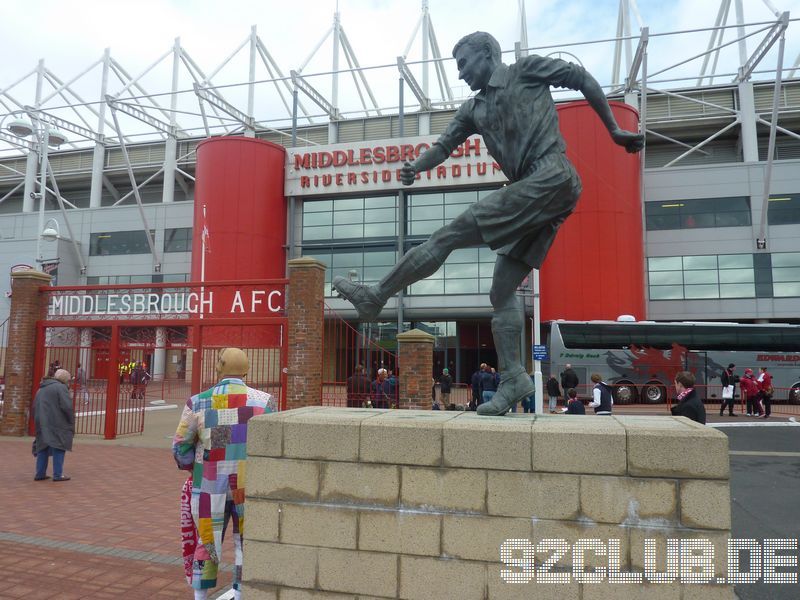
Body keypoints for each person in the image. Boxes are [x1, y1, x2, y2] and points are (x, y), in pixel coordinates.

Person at [331, 31, 642, 416]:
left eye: (463, 63)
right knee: (501, 292)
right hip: (541, 188)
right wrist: (417, 167)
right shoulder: (472, 110)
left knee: (448, 235)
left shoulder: (525, 71)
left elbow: (580, 78)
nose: (460, 73)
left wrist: (612, 129)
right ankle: (513, 377)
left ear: (487, 54)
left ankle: (375, 296)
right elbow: (443, 147)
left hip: (550, 175)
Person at [172, 347, 274, 600]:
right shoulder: (264, 401)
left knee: (207, 541)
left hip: (208, 483)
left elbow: (180, 446)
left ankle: (201, 595)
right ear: (247, 370)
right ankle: (239, 594)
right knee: (246, 541)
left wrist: (193, 466)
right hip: (248, 482)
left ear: (219, 366)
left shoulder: (197, 401)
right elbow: (272, 444)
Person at [33, 369, 74, 482]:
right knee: (59, 446)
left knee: (42, 446)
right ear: (65, 380)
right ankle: (58, 474)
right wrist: (70, 421)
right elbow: (66, 407)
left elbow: (34, 405)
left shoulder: (41, 388)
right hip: (57, 422)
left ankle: (40, 473)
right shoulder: (61, 388)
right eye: (69, 380)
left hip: (41, 421)